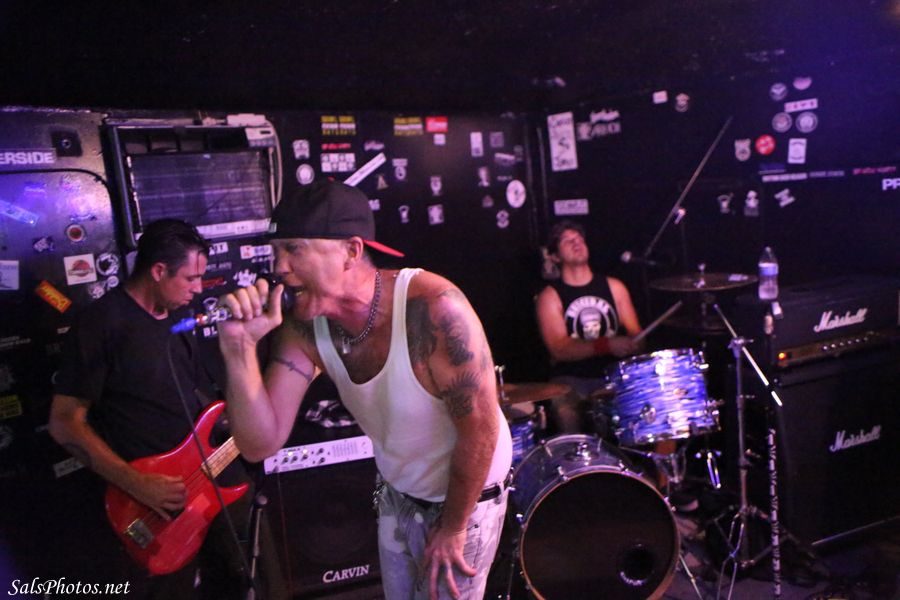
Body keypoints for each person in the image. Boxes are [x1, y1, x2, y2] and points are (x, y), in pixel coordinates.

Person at [216, 180, 512, 600]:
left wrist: (453, 526)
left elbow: (481, 429)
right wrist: (239, 349)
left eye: (294, 249)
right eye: (275, 251)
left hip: (466, 500)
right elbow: (259, 443)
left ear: (351, 251)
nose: (279, 266)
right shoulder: (304, 328)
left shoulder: (432, 308)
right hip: (397, 494)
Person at [49, 219, 286, 600]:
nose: (199, 289)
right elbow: (64, 423)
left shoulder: (177, 316)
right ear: (159, 271)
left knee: (251, 584)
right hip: (156, 505)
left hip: (218, 481)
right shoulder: (101, 323)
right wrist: (135, 482)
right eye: (191, 278)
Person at [535, 220, 643, 434]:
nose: (576, 243)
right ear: (555, 256)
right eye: (567, 241)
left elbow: (638, 336)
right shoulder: (549, 296)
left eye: (579, 239)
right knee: (566, 410)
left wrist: (633, 344)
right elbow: (559, 348)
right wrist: (607, 345)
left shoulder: (615, 287)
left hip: (613, 376)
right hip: (571, 380)